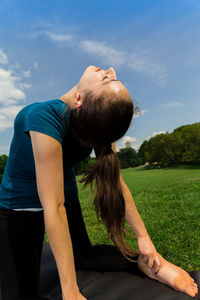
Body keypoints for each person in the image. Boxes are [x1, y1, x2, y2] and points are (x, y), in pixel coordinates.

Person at [0, 65, 198, 300]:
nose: (111, 70)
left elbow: (109, 184)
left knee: (83, 257)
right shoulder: (51, 117)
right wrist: (71, 291)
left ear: (78, 99)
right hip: (23, 205)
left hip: (44, 200)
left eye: (106, 79)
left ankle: (146, 265)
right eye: (110, 77)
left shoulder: (73, 118)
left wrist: (146, 241)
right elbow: (55, 206)